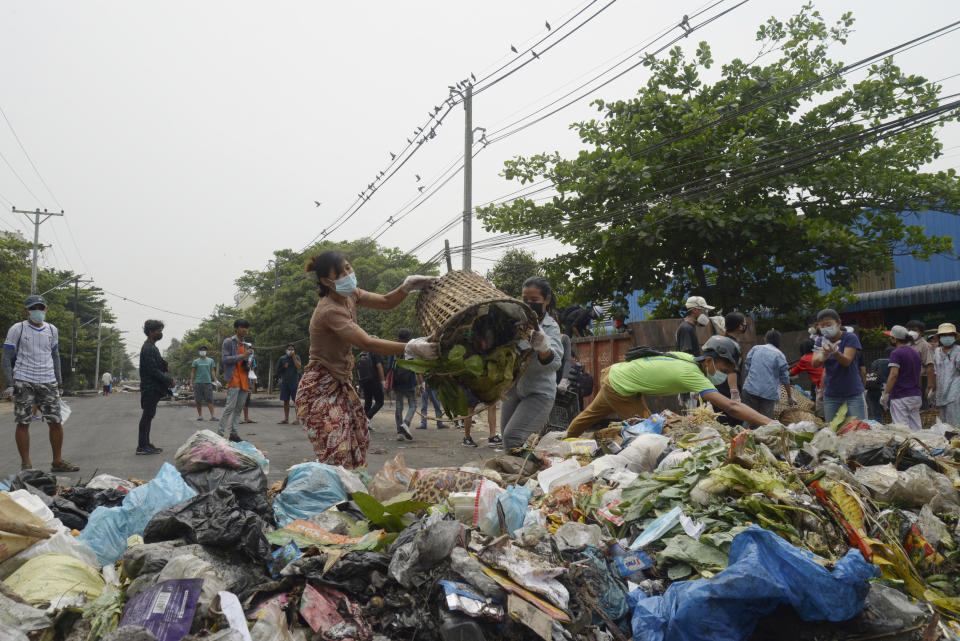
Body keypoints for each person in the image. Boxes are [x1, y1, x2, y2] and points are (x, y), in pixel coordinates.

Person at [297, 250, 436, 467]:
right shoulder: (329, 310)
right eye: (342, 273)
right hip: (319, 389)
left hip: (340, 383)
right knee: (337, 453)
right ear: (326, 281)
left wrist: (407, 287)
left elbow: (386, 301)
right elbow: (367, 343)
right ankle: (336, 497)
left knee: (357, 440)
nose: (349, 274)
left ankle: (348, 493)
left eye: (348, 268)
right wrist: (411, 348)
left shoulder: (350, 295)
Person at [565, 336, 773, 437]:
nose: (725, 375)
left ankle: (567, 441)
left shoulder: (689, 359)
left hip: (615, 373)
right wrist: (768, 422)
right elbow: (731, 407)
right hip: (621, 387)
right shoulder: (692, 373)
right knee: (648, 432)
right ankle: (598, 442)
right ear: (709, 360)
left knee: (590, 415)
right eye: (725, 369)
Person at [2, 295, 78, 472]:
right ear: (26, 310)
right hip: (24, 380)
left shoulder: (52, 330)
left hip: (48, 380)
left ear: (46, 310)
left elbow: (55, 356)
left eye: (41, 307)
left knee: (56, 421)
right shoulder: (18, 329)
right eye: (34, 308)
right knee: (23, 422)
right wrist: (10, 383)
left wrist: (59, 382)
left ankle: (57, 461)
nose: (38, 311)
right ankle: (26, 465)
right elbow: (6, 357)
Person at [501, 277, 565, 450]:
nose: (529, 304)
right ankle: (516, 474)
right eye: (525, 300)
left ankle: (526, 471)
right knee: (508, 441)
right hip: (514, 389)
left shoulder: (550, 327)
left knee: (512, 436)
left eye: (534, 300)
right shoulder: (516, 322)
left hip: (539, 392)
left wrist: (544, 348)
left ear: (547, 300)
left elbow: (555, 364)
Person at [811, 309, 865, 421]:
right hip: (831, 394)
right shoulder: (820, 340)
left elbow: (847, 361)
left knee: (857, 428)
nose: (825, 328)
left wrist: (835, 353)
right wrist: (823, 356)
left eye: (828, 324)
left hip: (852, 393)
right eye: (822, 326)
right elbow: (814, 363)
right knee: (833, 429)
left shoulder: (850, 338)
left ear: (838, 323)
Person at [137, 319, 174, 455]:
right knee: (147, 416)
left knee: (149, 415)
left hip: (153, 387)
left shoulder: (152, 347)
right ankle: (142, 446)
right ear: (151, 332)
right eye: (158, 331)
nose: (160, 333)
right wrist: (169, 380)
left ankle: (145, 443)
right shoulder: (148, 348)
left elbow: (157, 366)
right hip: (150, 387)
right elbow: (153, 370)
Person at [742, 330, 794, 424]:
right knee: (764, 422)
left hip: (750, 389)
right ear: (778, 341)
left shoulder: (756, 348)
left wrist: (752, 378)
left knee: (748, 419)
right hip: (768, 393)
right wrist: (789, 396)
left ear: (765, 339)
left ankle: (742, 436)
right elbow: (785, 378)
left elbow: (747, 365)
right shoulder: (779, 355)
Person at [881, 325, 923, 430]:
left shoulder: (896, 353)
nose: (890, 339)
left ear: (895, 339)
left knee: (902, 430)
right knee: (916, 427)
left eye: (891, 337)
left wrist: (885, 393)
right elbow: (919, 374)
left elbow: (893, 374)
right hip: (915, 395)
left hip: (900, 396)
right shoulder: (915, 353)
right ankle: (919, 445)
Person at [219, 319, 253, 442]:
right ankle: (220, 433)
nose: (244, 330)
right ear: (236, 328)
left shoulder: (246, 345)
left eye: (246, 328)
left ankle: (233, 433)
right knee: (230, 407)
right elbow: (225, 359)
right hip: (233, 378)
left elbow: (246, 362)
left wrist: (248, 363)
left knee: (239, 408)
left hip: (244, 379)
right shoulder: (228, 342)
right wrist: (242, 356)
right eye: (242, 327)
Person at [388, 329, 419, 441]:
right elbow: (415, 366)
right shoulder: (410, 349)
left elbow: (389, 367)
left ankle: (399, 433)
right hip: (409, 382)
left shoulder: (394, 348)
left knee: (399, 406)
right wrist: (420, 383)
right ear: (409, 338)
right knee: (413, 405)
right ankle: (406, 423)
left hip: (397, 383)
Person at [932, 323, 960, 427]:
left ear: (954, 336)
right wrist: (932, 389)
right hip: (941, 392)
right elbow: (935, 371)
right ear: (939, 337)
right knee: (944, 424)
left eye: (949, 334)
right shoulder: (937, 352)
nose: (946, 337)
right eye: (943, 335)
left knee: (955, 423)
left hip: (955, 391)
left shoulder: (958, 351)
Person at [905, 320, 936, 408]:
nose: (911, 332)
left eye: (914, 330)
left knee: (922, 406)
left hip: (923, 380)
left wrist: (929, 386)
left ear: (922, 333)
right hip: (909, 379)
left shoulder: (925, 346)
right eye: (909, 330)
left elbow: (930, 366)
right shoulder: (907, 344)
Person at [356, 348, 386, 421]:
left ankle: (364, 423)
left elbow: (359, 372)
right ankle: (367, 418)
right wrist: (383, 381)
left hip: (365, 381)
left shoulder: (361, 354)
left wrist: (360, 385)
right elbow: (379, 367)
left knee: (368, 402)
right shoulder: (375, 352)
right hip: (374, 380)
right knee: (380, 402)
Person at [865, 347, 894, 421]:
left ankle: (878, 428)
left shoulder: (875, 362)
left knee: (876, 415)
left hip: (872, 389)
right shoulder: (893, 363)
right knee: (894, 415)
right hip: (886, 390)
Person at [190, 345, 218, 421]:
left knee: (210, 400)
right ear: (199, 352)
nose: (203, 351)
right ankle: (200, 416)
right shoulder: (196, 361)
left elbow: (212, 371)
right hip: (198, 383)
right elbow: (193, 372)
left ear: (206, 351)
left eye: (204, 350)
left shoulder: (210, 360)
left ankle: (213, 416)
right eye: (201, 350)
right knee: (198, 400)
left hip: (208, 383)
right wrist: (191, 383)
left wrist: (215, 380)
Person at [276, 344, 302, 424]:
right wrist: (284, 367)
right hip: (285, 382)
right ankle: (286, 419)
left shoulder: (297, 357)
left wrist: (293, 357)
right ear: (286, 350)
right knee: (286, 401)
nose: (291, 351)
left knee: (296, 401)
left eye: (292, 349)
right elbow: (278, 371)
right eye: (289, 349)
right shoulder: (282, 358)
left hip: (294, 382)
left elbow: (299, 367)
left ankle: (297, 419)